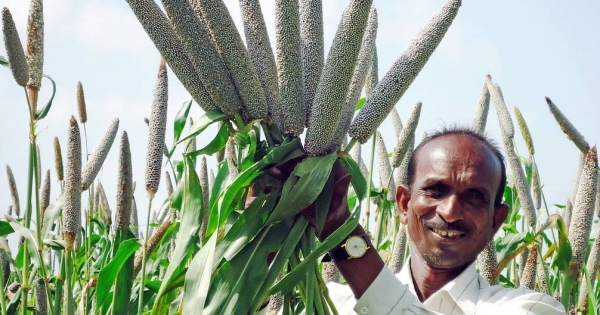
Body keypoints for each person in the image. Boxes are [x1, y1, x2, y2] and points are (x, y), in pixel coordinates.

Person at [306, 126, 565, 314]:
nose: (450, 212)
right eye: (435, 190)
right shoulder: (331, 302)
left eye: (474, 196)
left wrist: (340, 230)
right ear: (404, 203)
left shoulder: (531, 308)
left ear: (496, 221)